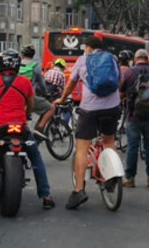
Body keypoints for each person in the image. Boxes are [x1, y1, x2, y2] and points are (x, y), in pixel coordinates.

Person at [0, 49, 55, 210]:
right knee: (36, 158)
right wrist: (26, 115)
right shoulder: (25, 83)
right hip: (21, 129)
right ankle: (46, 195)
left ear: (0, 64)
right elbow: (30, 105)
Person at [54, 35, 122, 209]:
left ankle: (78, 191)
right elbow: (118, 82)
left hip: (90, 109)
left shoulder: (82, 60)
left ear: (89, 48)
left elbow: (70, 85)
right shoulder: (113, 59)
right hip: (112, 107)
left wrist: (62, 99)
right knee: (109, 141)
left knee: (82, 148)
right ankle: (111, 177)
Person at [119, 49, 149, 188]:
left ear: (135, 58)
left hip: (133, 116)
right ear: (147, 58)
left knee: (133, 147)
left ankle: (130, 178)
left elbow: (120, 94)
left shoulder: (129, 73)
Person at [18, 46, 54, 135]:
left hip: (16, 96)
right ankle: (39, 129)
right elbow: (42, 84)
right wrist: (46, 93)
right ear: (33, 55)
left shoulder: (16, 64)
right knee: (51, 108)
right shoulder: (35, 66)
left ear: (22, 55)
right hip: (29, 98)